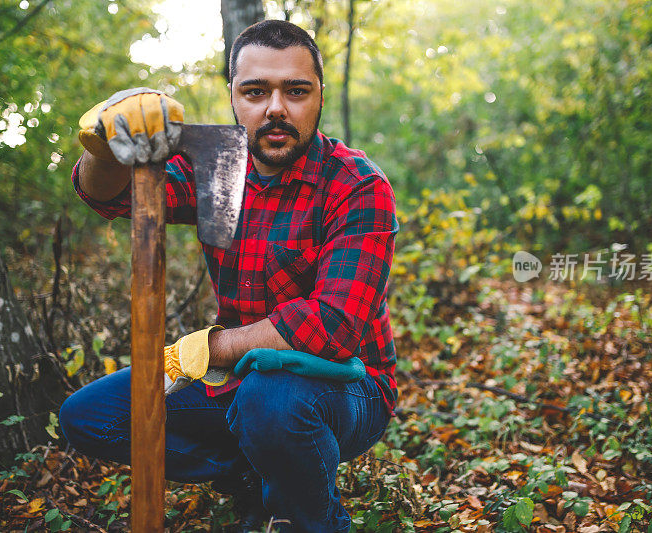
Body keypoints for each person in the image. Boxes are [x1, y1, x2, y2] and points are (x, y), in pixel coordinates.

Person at [59, 19, 399, 532]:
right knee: (89, 416)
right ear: (234, 97)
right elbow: (106, 194)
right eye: (256, 91)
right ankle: (257, 478)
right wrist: (104, 144)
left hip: (349, 384)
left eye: (296, 91)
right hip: (241, 378)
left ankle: (315, 520)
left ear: (319, 97)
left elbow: (333, 325)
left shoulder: (355, 185)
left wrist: (209, 350)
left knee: (272, 399)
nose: (276, 108)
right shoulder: (216, 167)